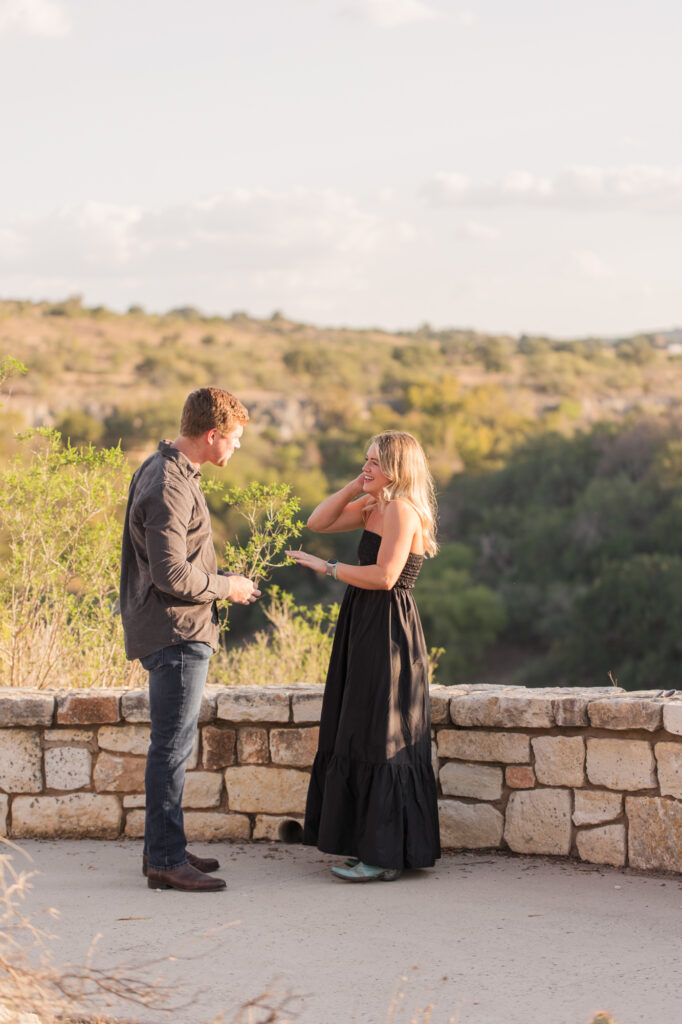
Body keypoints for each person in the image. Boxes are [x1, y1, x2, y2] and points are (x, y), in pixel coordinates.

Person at [120, 387, 260, 893]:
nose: (237, 448)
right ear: (212, 434)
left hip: (176, 629)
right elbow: (171, 575)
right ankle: (164, 862)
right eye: (235, 439)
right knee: (171, 749)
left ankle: (166, 849)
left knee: (173, 746)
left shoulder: (165, 470)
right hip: (176, 632)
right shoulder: (169, 484)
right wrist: (230, 587)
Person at [287, 430, 441, 882]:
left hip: (387, 626)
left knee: (380, 731)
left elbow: (386, 576)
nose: (366, 467)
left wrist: (327, 567)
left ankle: (385, 854)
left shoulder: (399, 509)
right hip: (364, 620)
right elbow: (318, 522)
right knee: (358, 727)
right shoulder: (376, 504)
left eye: (374, 462)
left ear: (396, 468)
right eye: (365, 460)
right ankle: (369, 845)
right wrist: (357, 486)